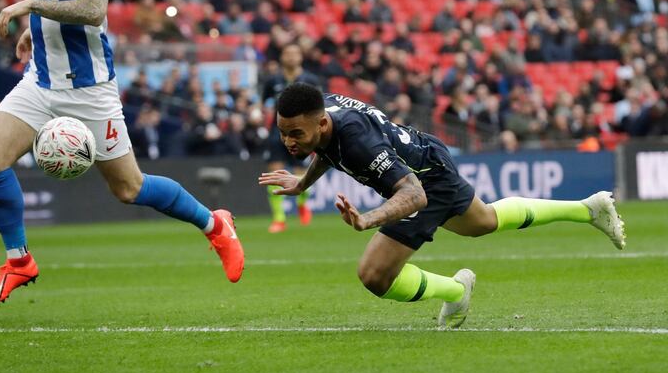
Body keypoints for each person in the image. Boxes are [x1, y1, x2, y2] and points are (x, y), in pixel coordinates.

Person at [0, 0, 244, 307]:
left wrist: (29, 6)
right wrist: (36, 29)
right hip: (41, 80)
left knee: (129, 189)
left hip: (88, 89)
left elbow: (93, 8)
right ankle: (19, 261)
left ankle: (215, 225)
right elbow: (62, 5)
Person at [259, 83, 625, 328]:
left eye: (296, 134)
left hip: (424, 180)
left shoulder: (357, 143)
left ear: (322, 123)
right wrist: (303, 183)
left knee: (374, 275)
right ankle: (588, 209)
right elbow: (324, 147)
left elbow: (414, 195)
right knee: (483, 221)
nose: (288, 141)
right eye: (283, 132)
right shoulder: (321, 112)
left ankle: (454, 291)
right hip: (424, 153)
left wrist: (368, 219)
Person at [261, 44, 321, 233]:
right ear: (281, 57)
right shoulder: (273, 80)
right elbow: (264, 103)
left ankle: (302, 204)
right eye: (287, 53)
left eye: (295, 53)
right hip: (276, 133)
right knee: (275, 173)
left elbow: (321, 105)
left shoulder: (311, 79)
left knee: (301, 173)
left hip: (302, 134)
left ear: (301, 57)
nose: (291, 57)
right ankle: (279, 218)